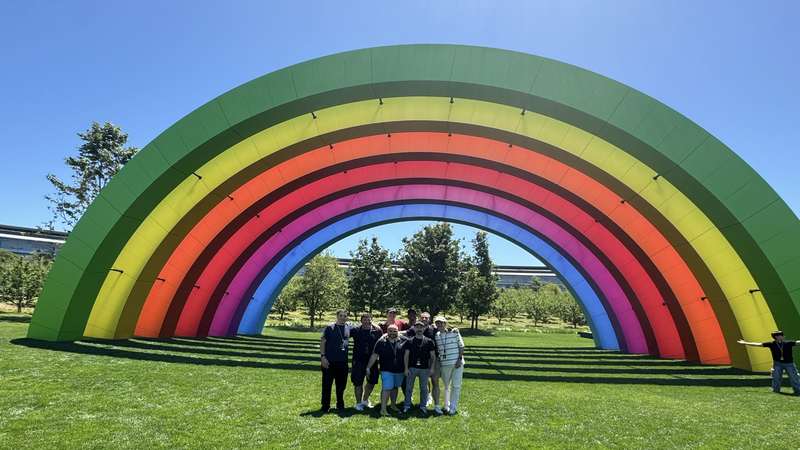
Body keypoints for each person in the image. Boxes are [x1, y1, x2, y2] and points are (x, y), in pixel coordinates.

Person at [738, 331, 800, 395]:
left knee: (794, 377)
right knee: (776, 377)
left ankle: (798, 390)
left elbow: (797, 342)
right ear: (776, 337)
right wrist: (745, 343)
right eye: (782, 335)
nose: (784, 336)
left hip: (789, 363)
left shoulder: (788, 343)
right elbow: (759, 344)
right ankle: (776, 390)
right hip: (777, 363)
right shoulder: (772, 344)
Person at [366, 324, 408, 416]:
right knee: (386, 388)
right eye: (390, 331)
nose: (392, 333)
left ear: (398, 332)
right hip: (386, 370)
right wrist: (368, 367)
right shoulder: (381, 342)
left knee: (395, 387)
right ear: (387, 332)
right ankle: (383, 409)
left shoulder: (404, 341)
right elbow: (374, 355)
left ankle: (393, 405)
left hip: (399, 370)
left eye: (394, 331)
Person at [319, 309, 355, 412]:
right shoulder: (330, 327)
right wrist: (323, 357)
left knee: (341, 385)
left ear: (347, 317)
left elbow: (363, 326)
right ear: (337, 316)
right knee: (327, 385)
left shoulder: (349, 327)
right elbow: (322, 342)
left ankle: (340, 404)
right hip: (329, 361)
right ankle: (325, 406)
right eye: (341, 315)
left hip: (343, 362)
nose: (343, 317)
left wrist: (376, 324)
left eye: (345, 316)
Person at [350, 312, 383, 410]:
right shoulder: (355, 330)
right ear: (361, 321)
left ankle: (365, 399)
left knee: (372, 381)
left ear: (372, 321)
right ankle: (358, 403)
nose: (367, 322)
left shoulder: (377, 332)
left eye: (369, 320)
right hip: (358, 360)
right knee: (358, 382)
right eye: (364, 320)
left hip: (372, 361)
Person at [434, 316, 465, 414]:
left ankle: (453, 407)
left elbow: (461, 346)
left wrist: (459, 359)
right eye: (437, 323)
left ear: (445, 323)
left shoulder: (455, 333)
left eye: (441, 322)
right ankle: (446, 404)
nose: (439, 324)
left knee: (456, 386)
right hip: (445, 364)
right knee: (446, 386)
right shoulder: (437, 336)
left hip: (458, 363)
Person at [403, 321, 436, 413]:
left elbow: (433, 356)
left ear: (424, 329)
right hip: (411, 368)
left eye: (420, 327)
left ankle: (423, 406)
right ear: (414, 329)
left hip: (424, 368)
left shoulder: (429, 342)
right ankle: (407, 405)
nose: (419, 329)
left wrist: (432, 367)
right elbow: (406, 356)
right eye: (417, 327)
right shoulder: (409, 341)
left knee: (424, 389)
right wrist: (406, 368)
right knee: (409, 388)